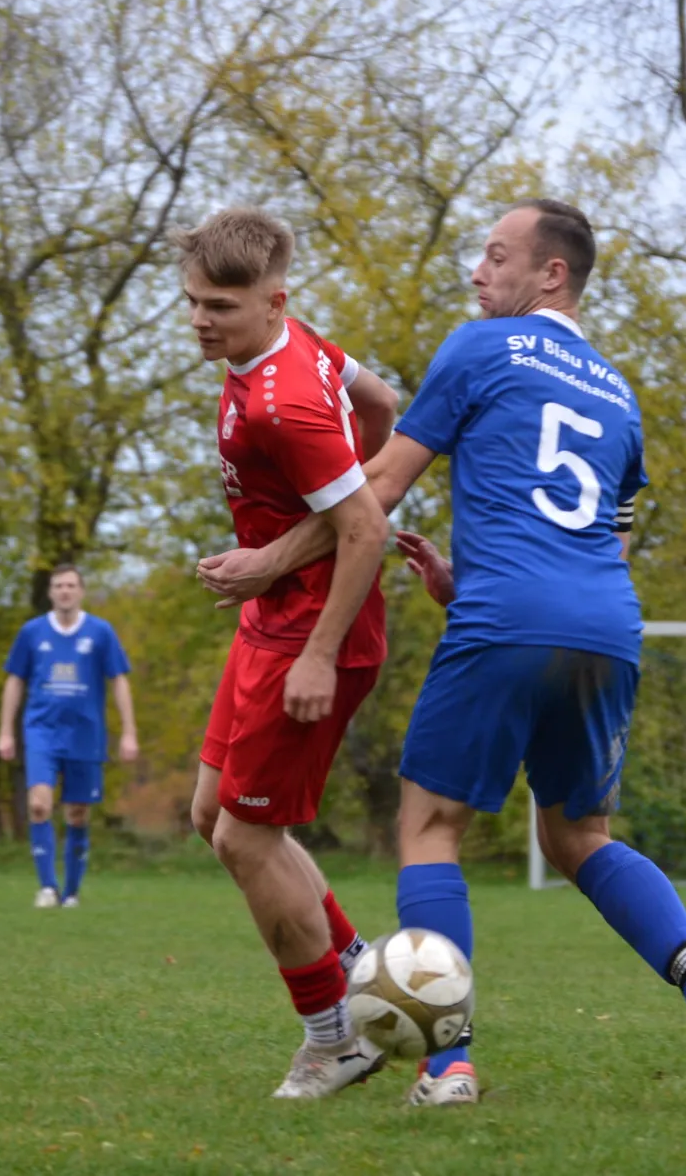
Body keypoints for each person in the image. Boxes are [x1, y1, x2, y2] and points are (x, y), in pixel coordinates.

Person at [202, 199, 686, 1113]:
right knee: (580, 837)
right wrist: (465, 579)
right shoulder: (617, 394)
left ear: (552, 273)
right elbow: (604, 543)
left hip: (506, 619)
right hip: (606, 627)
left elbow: (376, 489)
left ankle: (447, 1065)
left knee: (431, 829)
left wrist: (267, 561)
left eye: (498, 256)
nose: (479, 271)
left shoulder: (480, 348)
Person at [179, 206, 399, 1100]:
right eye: (194, 302)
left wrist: (318, 652)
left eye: (220, 307)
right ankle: (357, 965)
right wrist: (350, 487)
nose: (201, 321)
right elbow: (382, 406)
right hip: (269, 621)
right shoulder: (293, 343)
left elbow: (365, 530)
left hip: (311, 635)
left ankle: (334, 1040)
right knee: (212, 815)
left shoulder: (287, 404)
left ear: (274, 301)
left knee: (246, 836)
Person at [0, 564, 138, 908]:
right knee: (39, 804)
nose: (65, 591)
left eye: (71, 585)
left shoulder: (100, 632)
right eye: (58, 585)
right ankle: (47, 887)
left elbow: (118, 680)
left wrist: (129, 732)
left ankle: (71, 892)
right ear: (50, 592)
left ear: (81, 591)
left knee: (77, 813)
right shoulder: (32, 632)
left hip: (85, 734)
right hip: (42, 731)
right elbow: (14, 680)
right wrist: (5, 731)